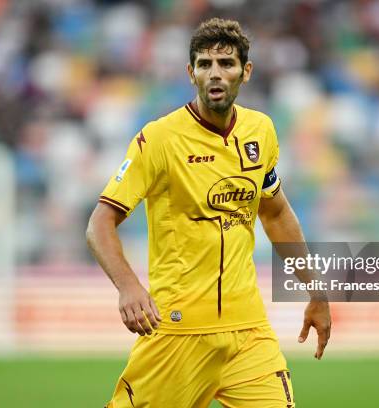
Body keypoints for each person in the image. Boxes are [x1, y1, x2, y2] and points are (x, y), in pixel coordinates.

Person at [86, 17, 331, 408]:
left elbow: (275, 213)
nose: (215, 74)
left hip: (248, 331)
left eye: (226, 64)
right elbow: (100, 223)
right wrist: (129, 286)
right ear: (191, 73)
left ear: (245, 72)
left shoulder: (261, 131)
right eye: (204, 64)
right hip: (178, 332)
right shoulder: (159, 139)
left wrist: (316, 289)